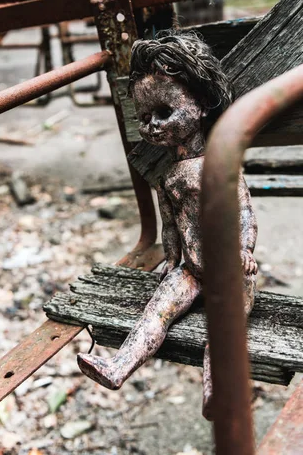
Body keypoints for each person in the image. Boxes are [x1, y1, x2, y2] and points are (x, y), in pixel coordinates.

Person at [77, 30, 258, 419]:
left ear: (203, 104)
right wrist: (172, 260)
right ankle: (118, 366)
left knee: (223, 333)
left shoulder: (221, 163)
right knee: (156, 312)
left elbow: (243, 213)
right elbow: (172, 227)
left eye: (164, 112)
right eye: (145, 118)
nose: (153, 126)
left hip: (230, 270)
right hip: (190, 270)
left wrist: (244, 251)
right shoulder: (168, 176)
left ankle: (217, 392)